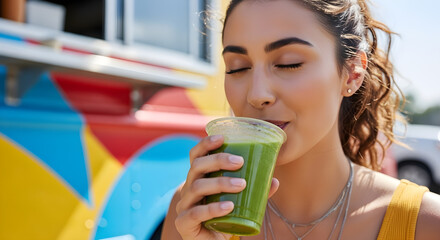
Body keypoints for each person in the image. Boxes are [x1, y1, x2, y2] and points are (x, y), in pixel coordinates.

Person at [161, 0, 440, 239]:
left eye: (289, 63)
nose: (257, 95)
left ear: (352, 74)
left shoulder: (426, 224)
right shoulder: (193, 213)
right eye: (238, 68)